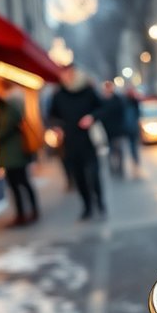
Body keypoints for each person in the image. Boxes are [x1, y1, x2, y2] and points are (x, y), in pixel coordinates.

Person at [48, 65, 106, 220]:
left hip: (89, 140)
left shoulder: (87, 91)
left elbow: (102, 108)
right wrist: (58, 128)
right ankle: (87, 206)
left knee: (93, 174)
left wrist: (92, 117)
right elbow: (52, 116)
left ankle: (100, 201)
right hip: (70, 142)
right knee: (79, 176)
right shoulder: (59, 95)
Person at [0, 79, 39, 226]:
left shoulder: (10, 105)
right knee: (22, 183)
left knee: (18, 183)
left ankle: (23, 214)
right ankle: (29, 211)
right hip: (15, 152)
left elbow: (5, 128)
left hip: (13, 153)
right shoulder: (13, 103)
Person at [99, 81, 127, 178]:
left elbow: (122, 113)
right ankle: (112, 168)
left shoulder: (117, 99)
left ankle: (120, 168)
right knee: (110, 151)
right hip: (107, 130)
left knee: (118, 150)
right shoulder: (102, 100)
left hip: (117, 130)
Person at [122, 86, 142, 174]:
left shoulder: (134, 102)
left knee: (133, 146)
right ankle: (134, 160)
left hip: (133, 127)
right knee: (132, 145)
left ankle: (135, 160)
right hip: (128, 127)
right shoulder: (125, 102)